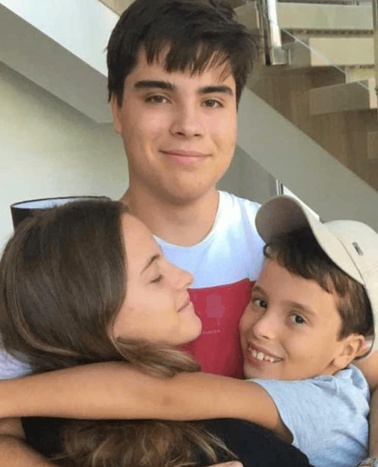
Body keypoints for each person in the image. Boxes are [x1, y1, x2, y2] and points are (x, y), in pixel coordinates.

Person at [1, 0, 378, 464]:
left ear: (237, 112)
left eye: (212, 100)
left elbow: (364, 374)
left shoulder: (286, 250)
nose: (189, 126)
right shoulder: (68, 262)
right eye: (158, 97)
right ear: (117, 108)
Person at [3, 196, 376, 467]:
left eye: (297, 318)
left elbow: (162, 395)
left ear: (349, 349)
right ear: (89, 311)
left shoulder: (325, 403)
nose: (186, 276)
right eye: (259, 301)